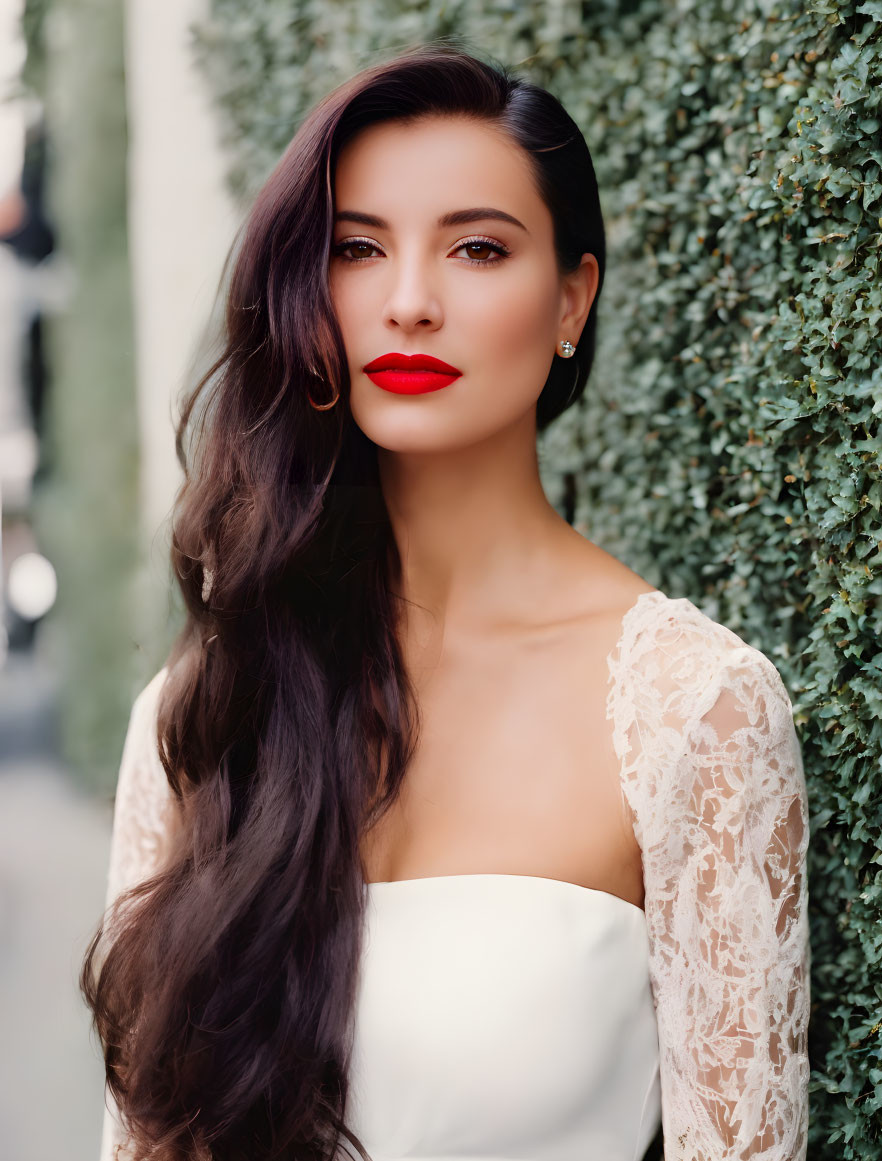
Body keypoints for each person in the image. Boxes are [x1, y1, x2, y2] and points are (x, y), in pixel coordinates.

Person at [82, 40, 811, 1161]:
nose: (410, 302)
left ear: (573, 297)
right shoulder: (207, 709)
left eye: (477, 247)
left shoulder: (697, 712)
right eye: (356, 249)